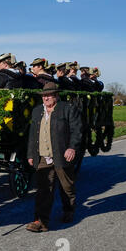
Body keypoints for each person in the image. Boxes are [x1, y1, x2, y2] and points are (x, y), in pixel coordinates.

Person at [26, 82, 83, 232]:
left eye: (49, 95)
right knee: (43, 190)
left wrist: (72, 147)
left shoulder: (67, 109)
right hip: (43, 156)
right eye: (44, 95)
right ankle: (40, 221)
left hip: (61, 154)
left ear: (56, 95)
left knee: (67, 187)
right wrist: (31, 154)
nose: (46, 98)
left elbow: (77, 130)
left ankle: (69, 210)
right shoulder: (37, 111)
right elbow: (33, 134)